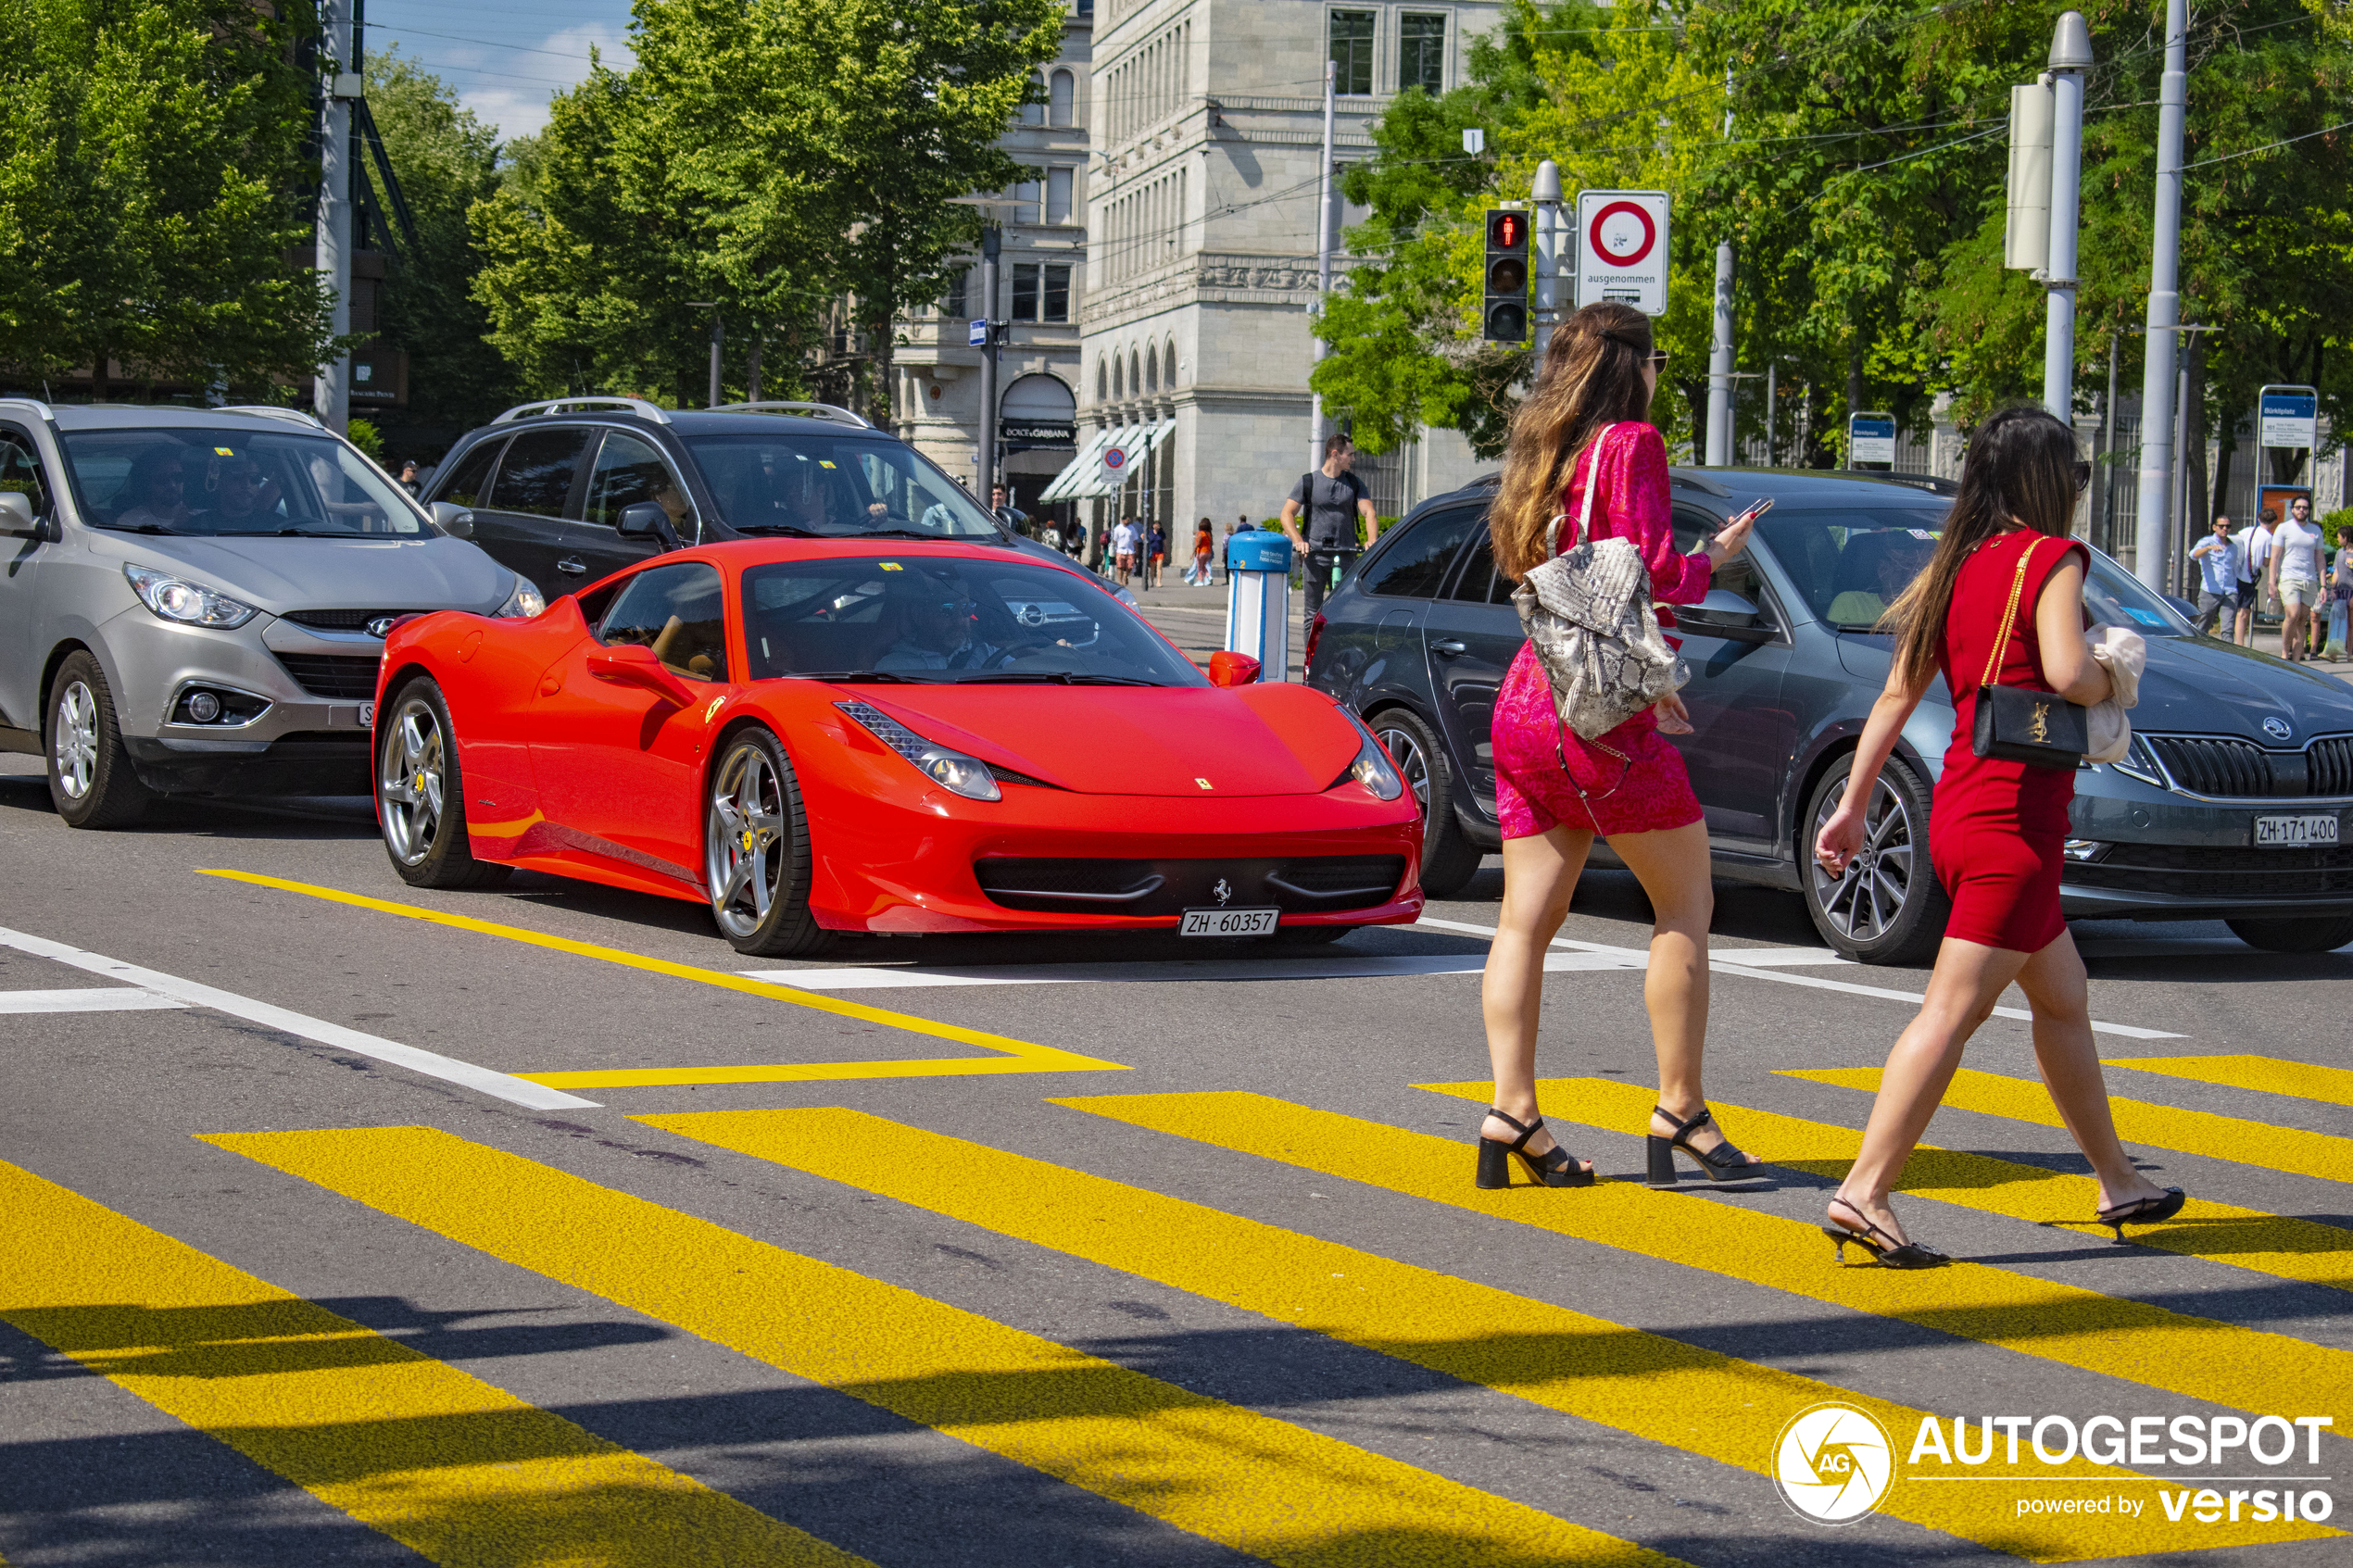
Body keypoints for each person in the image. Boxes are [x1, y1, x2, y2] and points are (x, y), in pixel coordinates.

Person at [1815, 405, 2181, 1267]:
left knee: (2062, 998)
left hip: (1964, 811)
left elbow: (1896, 695)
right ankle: (1864, 1191)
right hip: (2016, 823)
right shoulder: (2052, 560)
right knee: (1949, 1014)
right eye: (2075, 475)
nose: (2080, 492)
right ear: (2046, 480)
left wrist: (1854, 802)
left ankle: (2118, 1178)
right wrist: (2111, 677)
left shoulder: (1960, 563)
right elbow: (2063, 671)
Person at [1475, 301, 1760, 1193]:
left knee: (1525, 920)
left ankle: (1511, 1112)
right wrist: (1717, 557)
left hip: (1526, 697)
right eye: (1656, 359)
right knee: (1686, 904)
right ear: (1629, 365)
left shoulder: (1540, 456)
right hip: (1598, 716)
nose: (1659, 373)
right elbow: (1648, 567)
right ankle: (1681, 1109)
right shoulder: (1631, 443)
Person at [1280, 433, 1381, 624]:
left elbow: (1369, 512)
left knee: (1343, 613)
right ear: (1335, 454)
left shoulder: (1354, 483)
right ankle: (1310, 655)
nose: (1353, 459)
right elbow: (1286, 514)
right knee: (1312, 614)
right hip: (1315, 557)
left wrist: (1371, 539)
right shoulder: (1308, 482)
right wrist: (1299, 541)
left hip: (1346, 555)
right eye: (1349, 454)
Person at [875, 567, 1013, 671]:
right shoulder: (896, 667)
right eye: (947, 610)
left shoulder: (986, 653)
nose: (959, 620)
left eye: (966, 608)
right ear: (919, 615)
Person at [2270, 495, 2323, 663]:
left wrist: (2323, 585)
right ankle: (2285, 653)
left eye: (2305, 508)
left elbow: (2320, 559)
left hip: (2309, 579)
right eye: (2298, 507)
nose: (2302, 510)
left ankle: (2297, 660)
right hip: (2289, 577)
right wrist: (2272, 581)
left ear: (2309, 510)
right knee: (2293, 614)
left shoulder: (2315, 531)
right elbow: (2275, 558)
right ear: (2292, 509)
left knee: (2302, 618)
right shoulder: (2283, 528)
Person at [2187, 514, 2245, 638]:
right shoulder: (2207, 541)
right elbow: (2193, 555)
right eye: (2221, 526)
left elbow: (2234, 567)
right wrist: (2208, 548)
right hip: (2210, 590)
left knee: (2228, 628)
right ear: (2214, 527)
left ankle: (2226, 655)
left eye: (2228, 526)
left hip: (2229, 591)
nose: (2225, 529)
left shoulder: (2233, 546)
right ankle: (2199, 650)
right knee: (2203, 625)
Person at [112, 447, 191, 530]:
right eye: (162, 479)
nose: (172, 485)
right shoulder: (130, 521)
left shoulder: (202, 518)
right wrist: (175, 527)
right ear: (148, 484)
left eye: (178, 477)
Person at [2234, 510, 2273, 646]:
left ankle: (2238, 641)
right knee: (2243, 611)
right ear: (2273, 522)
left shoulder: (2246, 531)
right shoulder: (2268, 537)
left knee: (2241, 609)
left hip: (2237, 573)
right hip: (2248, 577)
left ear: (2258, 519)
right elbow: (2266, 562)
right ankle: (2239, 643)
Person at [2327, 522, 2353, 661]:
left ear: (2346, 537)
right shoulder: (2339, 553)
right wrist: (2333, 588)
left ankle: (2350, 653)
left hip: (2352, 591)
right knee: (2338, 621)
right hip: (2341, 591)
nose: (2338, 539)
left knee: (2351, 623)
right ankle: (2333, 652)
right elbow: (2336, 571)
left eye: (2339, 537)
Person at [1111, 514, 1139, 585]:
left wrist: (1137, 550)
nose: (1128, 521)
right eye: (1127, 520)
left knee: (1130, 566)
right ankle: (1120, 581)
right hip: (1120, 550)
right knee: (1120, 566)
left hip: (1130, 550)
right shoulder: (1117, 529)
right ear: (1123, 520)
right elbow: (1115, 540)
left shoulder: (1132, 528)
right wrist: (1115, 548)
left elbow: (1135, 540)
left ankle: (1126, 576)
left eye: (1129, 520)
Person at [1190, 518, 1214, 585]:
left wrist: (1193, 552)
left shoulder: (1200, 534)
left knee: (1199, 567)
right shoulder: (1208, 534)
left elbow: (1199, 543)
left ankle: (1200, 581)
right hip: (1208, 552)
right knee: (1203, 566)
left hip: (1201, 552)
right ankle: (1208, 576)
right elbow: (1211, 543)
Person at [1147, 521, 1166, 589]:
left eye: (1158, 525)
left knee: (1159, 567)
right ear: (1153, 525)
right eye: (1156, 525)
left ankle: (1159, 582)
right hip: (1152, 552)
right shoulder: (1149, 532)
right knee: (1152, 568)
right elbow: (1143, 536)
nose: (1157, 526)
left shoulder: (1162, 533)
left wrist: (1165, 551)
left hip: (1160, 552)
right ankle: (1152, 582)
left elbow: (1164, 542)